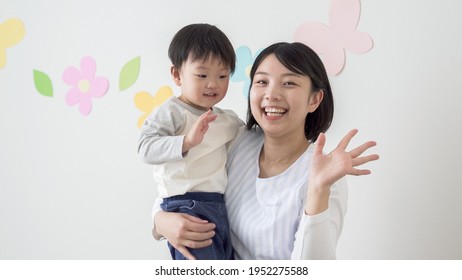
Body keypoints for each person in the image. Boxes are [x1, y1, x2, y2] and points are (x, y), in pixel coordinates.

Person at [152, 42, 379, 260]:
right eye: (262, 82)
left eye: (289, 83)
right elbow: (183, 181)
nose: (272, 94)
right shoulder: (236, 142)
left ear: (314, 99)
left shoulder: (327, 174)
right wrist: (160, 221)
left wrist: (319, 189)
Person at [138, 23, 243, 260]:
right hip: (186, 207)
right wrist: (185, 142)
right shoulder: (172, 112)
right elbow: (145, 148)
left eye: (223, 75)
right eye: (202, 75)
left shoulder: (227, 120)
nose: (213, 84)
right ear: (177, 74)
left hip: (219, 206)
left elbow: (255, 139)